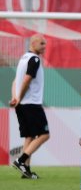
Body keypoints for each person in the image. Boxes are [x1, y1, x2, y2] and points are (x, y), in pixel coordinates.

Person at [10, 34, 49, 180]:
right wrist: (20, 97)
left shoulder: (23, 59)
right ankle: (20, 160)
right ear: (33, 43)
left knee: (30, 136)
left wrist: (15, 98)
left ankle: (26, 170)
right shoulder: (34, 59)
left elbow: (15, 81)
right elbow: (26, 80)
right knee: (45, 135)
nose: (44, 46)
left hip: (21, 105)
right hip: (31, 103)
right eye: (42, 43)